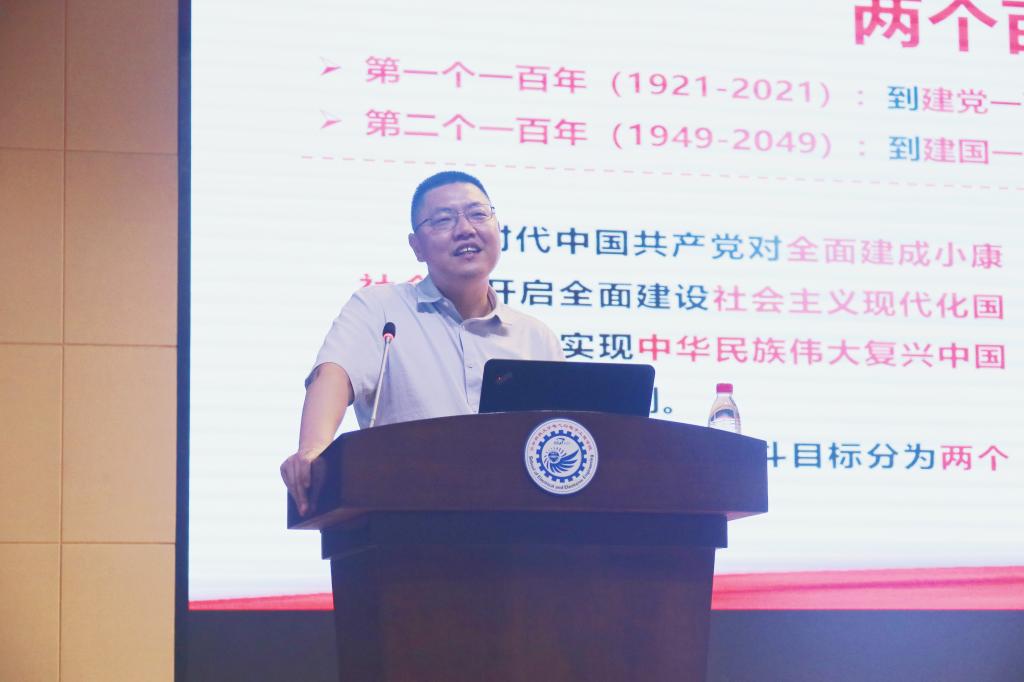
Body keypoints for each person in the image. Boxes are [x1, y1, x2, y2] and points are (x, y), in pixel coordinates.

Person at [280, 171, 564, 515]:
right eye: (443, 219)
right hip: (408, 519)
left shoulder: (535, 337)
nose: (465, 229)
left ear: (498, 228)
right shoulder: (381, 309)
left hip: (517, 526)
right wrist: (313, 449)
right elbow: (334, 374)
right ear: (416, 247)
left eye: (478, 214)